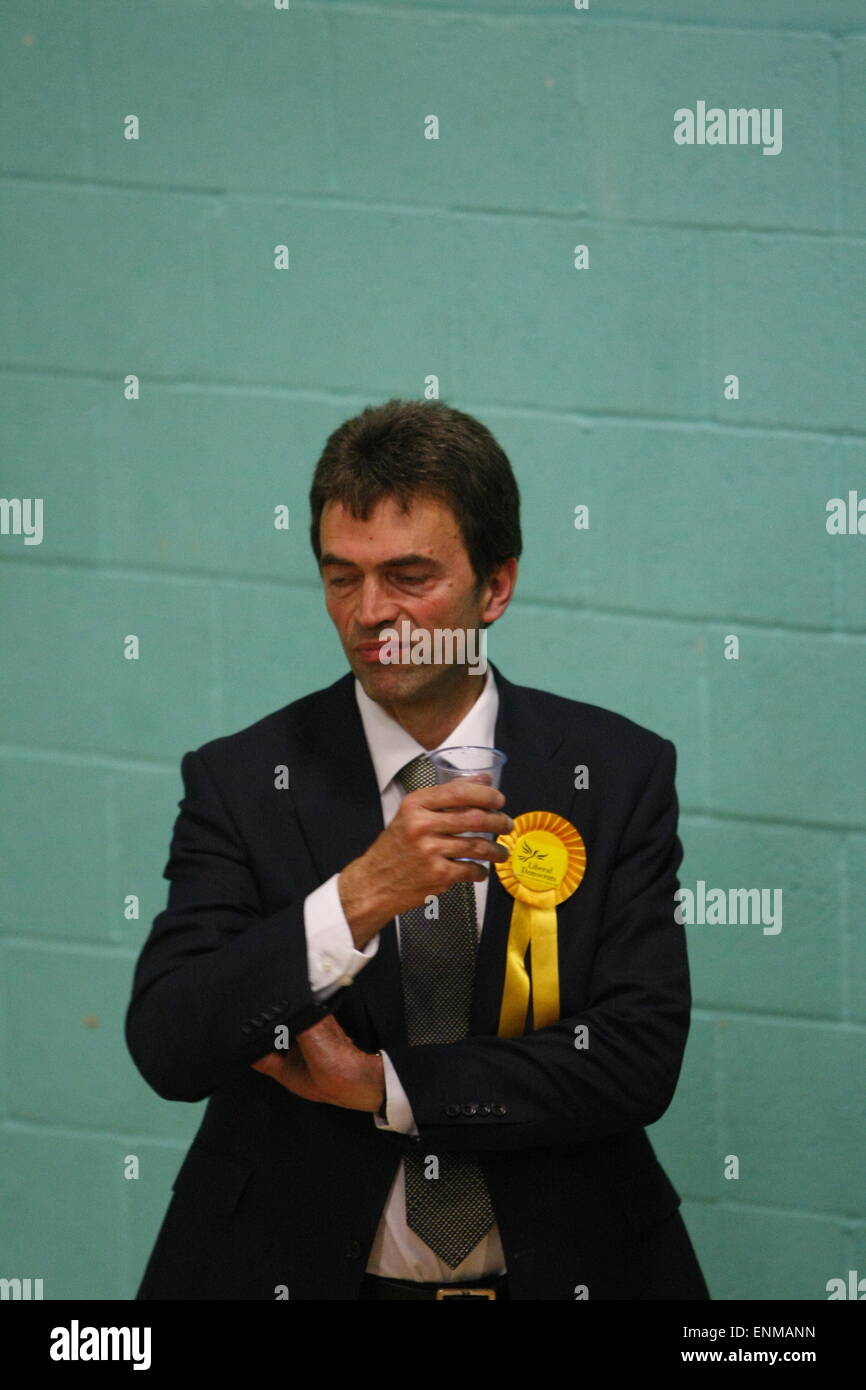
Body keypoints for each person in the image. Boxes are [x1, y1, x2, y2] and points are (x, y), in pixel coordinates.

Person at [126, 398, 710, 1301]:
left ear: (496, 586)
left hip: (568, 1271)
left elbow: (635, 1058)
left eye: (407, 576)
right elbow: (169, 1043)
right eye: (340, 577)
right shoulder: (244, 779)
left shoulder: (616, 772)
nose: (369, 613)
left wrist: (384, 1085)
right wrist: (356, 897)